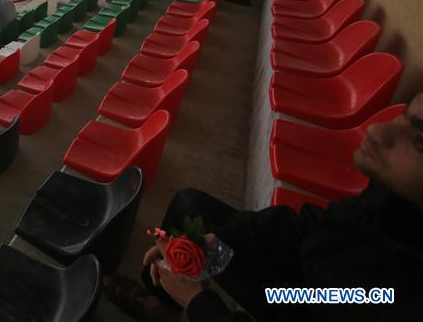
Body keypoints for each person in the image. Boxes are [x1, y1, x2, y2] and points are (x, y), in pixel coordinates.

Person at [103, 92, 423, 322]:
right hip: (312, 293)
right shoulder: (395, 199)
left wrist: (200, 301)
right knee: (191, 207)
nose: (378, 129)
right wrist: (215, 241)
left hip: (305, 304)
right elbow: (311, 225)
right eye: (407, 115)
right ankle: (161, 302)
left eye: (420, 141)